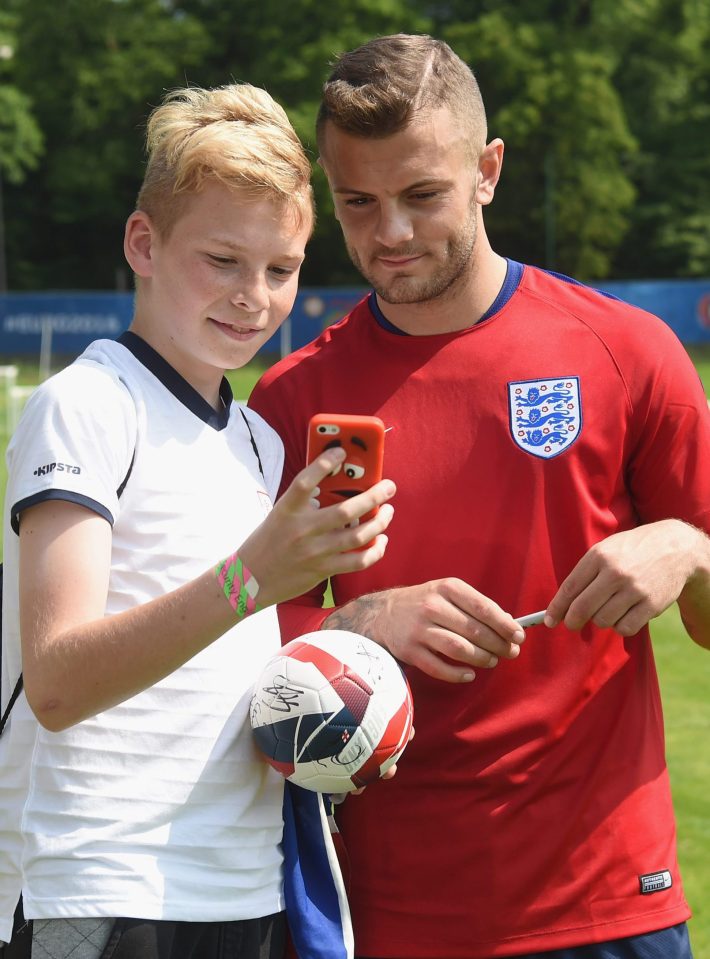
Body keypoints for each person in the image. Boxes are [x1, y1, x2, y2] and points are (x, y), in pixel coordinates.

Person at [248, 33, 710, 959]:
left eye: (423, 195)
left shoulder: (628, 352)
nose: (391, 234)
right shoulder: (290, 399)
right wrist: (366, 619)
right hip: (390, 910)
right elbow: (240, 653)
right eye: (358, 203)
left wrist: (692, 548)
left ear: (488, 170)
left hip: (607, 897)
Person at [0, 82, 397, 959]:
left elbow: (222, 669)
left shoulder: (257, 441)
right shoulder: (89, 405)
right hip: (99, 884)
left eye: (282, 269)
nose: (254, 296)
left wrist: (349, 704)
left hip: (243, 888)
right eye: (223, 259)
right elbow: (59, 680)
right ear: (144, 242)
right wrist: (255, 575)